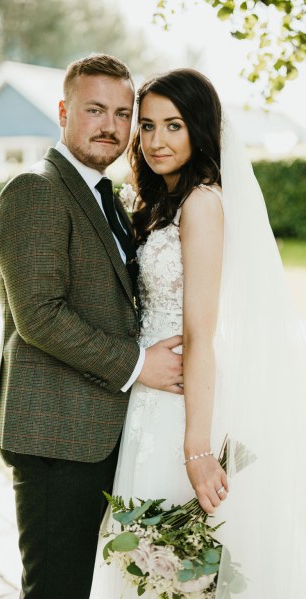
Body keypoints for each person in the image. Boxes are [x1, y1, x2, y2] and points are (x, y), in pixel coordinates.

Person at [89, 69, 306, 598]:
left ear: (200, 131)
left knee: (176, 562)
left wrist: (196, 448)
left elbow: (201, 334)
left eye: (174, 126)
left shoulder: (202, 204)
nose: (156, 140)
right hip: (148, 395)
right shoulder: (160, 202)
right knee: (145, 564)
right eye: (147, 126)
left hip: (184, 406)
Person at [0, 54, 184, 599]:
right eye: (95, 110)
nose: (111, 127)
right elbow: (40, 316)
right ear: (63, 112)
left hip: (105, 430)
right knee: (56, 589)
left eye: (124, 114)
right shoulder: (36, 190)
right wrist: (142, 364)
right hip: (57, 434)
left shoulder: (107, 197)